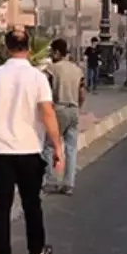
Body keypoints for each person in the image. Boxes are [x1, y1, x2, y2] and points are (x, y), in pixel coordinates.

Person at [0, 27, 62, 254]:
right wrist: (58, 147)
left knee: (1, 205)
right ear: (29, 48)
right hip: (29, 149)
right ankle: (35, 250)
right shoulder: (37, 77)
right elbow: (47, 112)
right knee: (32, 202)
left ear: (5, 48)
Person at [42, 38, 84, 196]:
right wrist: (78, 106)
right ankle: (69, 183)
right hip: (73, 109)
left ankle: (52, 181)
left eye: (52, 52)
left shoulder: (52, 69)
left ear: (57, 52)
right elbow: (82, 93)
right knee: (71, 148)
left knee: (48, 146)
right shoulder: (77, 69)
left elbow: (44, 90)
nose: (51, 55)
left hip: (58, 109)